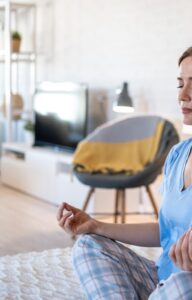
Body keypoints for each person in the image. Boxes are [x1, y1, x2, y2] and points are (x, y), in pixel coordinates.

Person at [57, 47, 192, 300]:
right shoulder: (177, 155)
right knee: (88, 245)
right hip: (160, 281)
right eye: (180, 84)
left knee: (185, 284)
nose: (183, 95)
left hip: (185, 287)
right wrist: (96, 225)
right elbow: (164, 231)